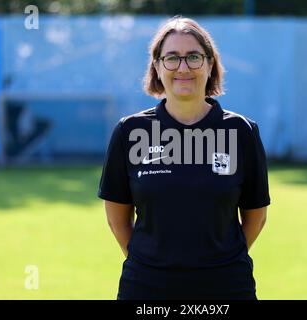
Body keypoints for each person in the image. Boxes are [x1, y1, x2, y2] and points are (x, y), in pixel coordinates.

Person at [98, 16, 270, 300]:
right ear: (156, 65)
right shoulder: (130, 131)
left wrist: (217, 266)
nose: (183, 67)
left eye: (193, 57)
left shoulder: (241, 132)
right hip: (146, 289)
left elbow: (256, 217)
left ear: (210, 63)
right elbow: (117, 219)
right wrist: (154, 266)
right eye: (172, 58)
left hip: (226, 288)